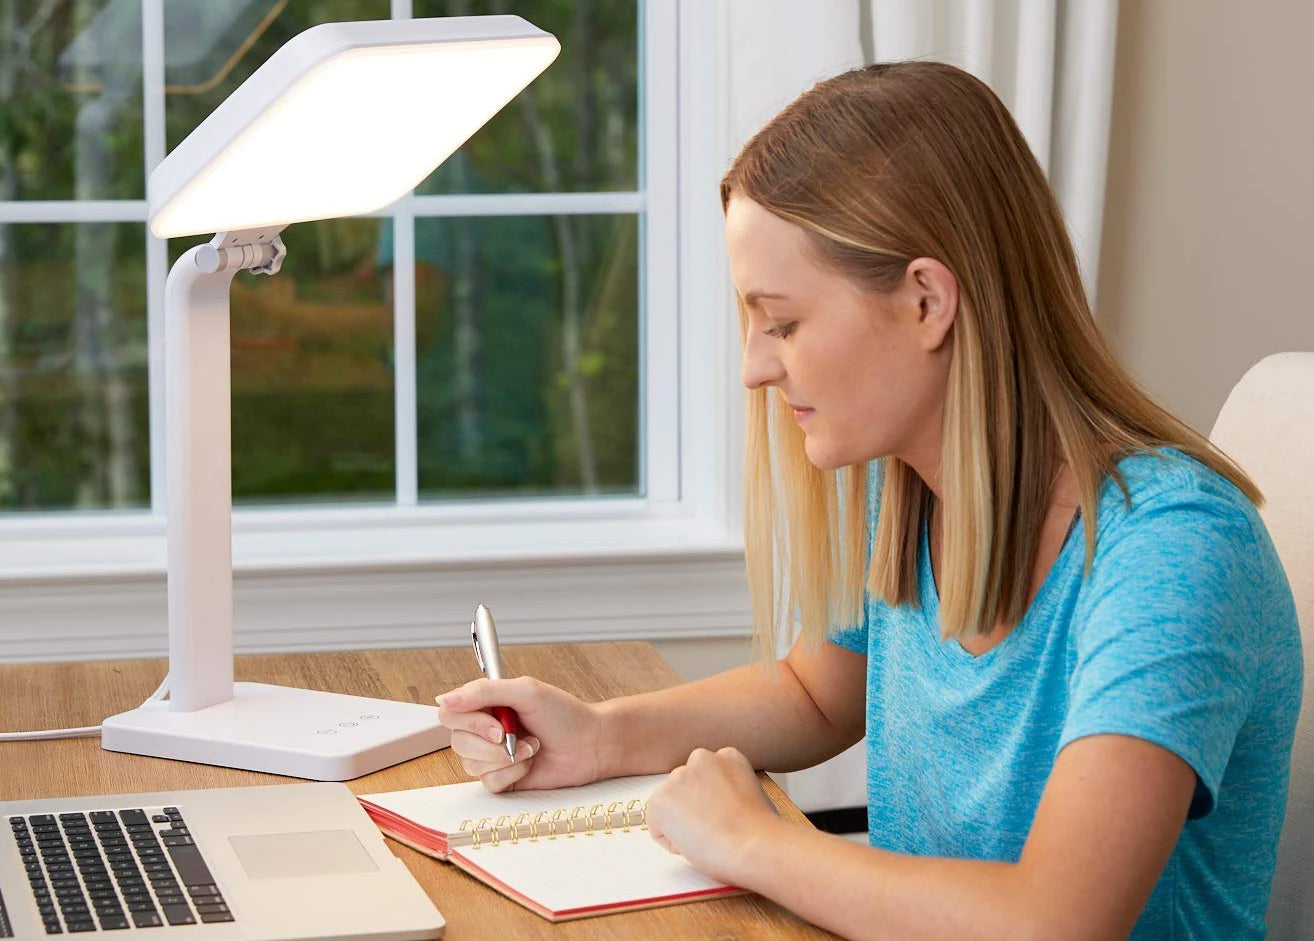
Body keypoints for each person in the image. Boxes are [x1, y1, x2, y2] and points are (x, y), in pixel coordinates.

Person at [436, 61, 1302, 941]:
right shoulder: (913, 491)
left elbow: (1053, 924)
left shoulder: (1174, 552)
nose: (755, 366)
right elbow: (817, 695)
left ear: (927, 300)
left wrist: (755, 840)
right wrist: (599, 734)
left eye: (783, 321)